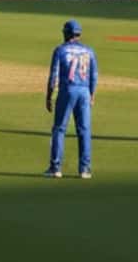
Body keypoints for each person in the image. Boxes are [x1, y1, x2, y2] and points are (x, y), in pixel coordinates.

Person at [45, 19, 97, 178]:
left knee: (60, 129)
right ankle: (85, 169)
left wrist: (49, 96)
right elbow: (93, 76)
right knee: (84, 130)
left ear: (66, 33)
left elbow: (53, 76)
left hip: (67, 90)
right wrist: (92, 95)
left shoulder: (60, 50)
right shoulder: (89, 51)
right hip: (84, 92)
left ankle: (56, 167)